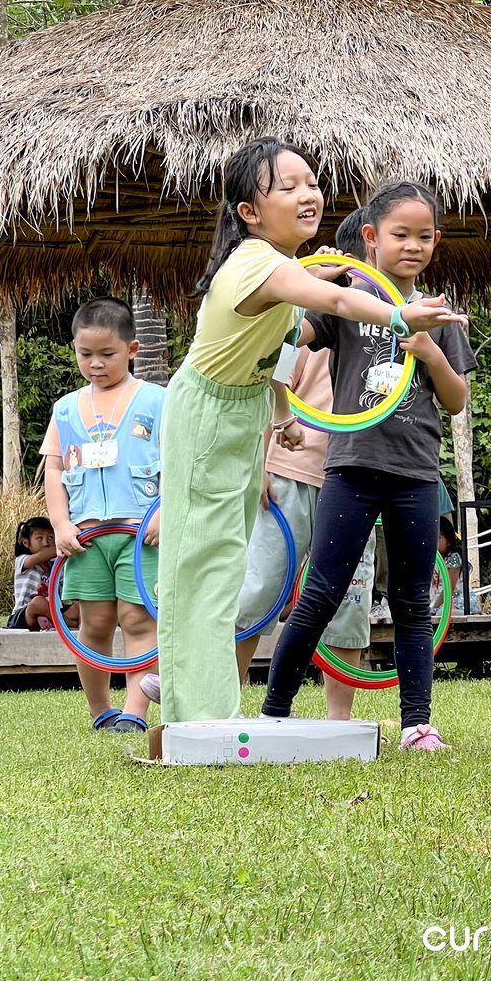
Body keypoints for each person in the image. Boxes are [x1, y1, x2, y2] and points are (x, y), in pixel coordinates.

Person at [157, 139, 465, 726]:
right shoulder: (258, 262)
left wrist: (280, 414)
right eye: (288, 186)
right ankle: (198, 715)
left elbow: (270, 349)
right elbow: (332, 303)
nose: (309, 194)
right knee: (203, 569)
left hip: (244, 411)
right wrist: (399, 314)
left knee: (221, 568)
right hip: (210, 413)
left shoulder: (281, 265)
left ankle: (208, 711)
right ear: (249, 212)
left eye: (312, 182)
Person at [263, 180, 478, 751]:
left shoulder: (437, 315)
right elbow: (286, 341)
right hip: (351, 468)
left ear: (436, 242)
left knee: (411, 600)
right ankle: (274, 715)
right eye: (400, 234)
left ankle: (417, 724)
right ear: (371, 237)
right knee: (321, 592)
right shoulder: (346, 304)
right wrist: (312, 282)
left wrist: (430, 352)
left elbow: (457, 401)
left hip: (415, 474)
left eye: (425, 236)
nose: (413, 246)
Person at [140, 210, 379, 718]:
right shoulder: (309, 315)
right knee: (256, 586)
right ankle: (209, 689)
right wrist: (265, 460)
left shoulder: (399, 324)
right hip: (292, 469)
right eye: (368, 257)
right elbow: (271, 372)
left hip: (357, 474)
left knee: (350, 597)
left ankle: (339, 721)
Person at [41, 297, 165, 733]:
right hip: (86, 538)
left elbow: (180, 462)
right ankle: (101, 711)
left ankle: (135, 712)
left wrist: (164, 511)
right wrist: (60, 524)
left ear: (132, 350)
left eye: (107, 354)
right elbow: (54, 469)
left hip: (141, 534)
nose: (96, 364)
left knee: (138, 619)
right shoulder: (65, 408)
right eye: (85, 354)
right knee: (93, 624)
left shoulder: (158, 400)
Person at [7, 516, 72, 631]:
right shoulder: (22, 560)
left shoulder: (55, 568)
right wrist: (65, 545)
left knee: (78, 607)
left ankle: (56, 621)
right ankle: (66, 623)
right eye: (39, 538)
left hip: (53, 611)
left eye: (51, 537)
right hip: (25, 615)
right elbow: (41, 556)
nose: (46, 543)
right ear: (26, 543)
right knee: (38, 602)